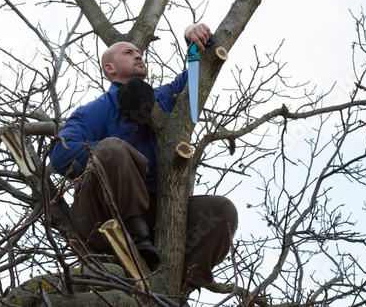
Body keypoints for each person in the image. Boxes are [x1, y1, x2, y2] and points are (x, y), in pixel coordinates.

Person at [49, 23, 238, 290]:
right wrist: (118, 157)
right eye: (128, 52)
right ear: (110, 69)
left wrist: (194, 40)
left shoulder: (161, 98)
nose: (139, 54)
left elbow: (197, 77)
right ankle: (135, 234)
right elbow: (59, 156)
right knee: (111, 148)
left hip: (154, 216)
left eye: (139, 51)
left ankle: (177, 288)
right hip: (101, 216)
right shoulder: (95, 110)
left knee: (222, 211)